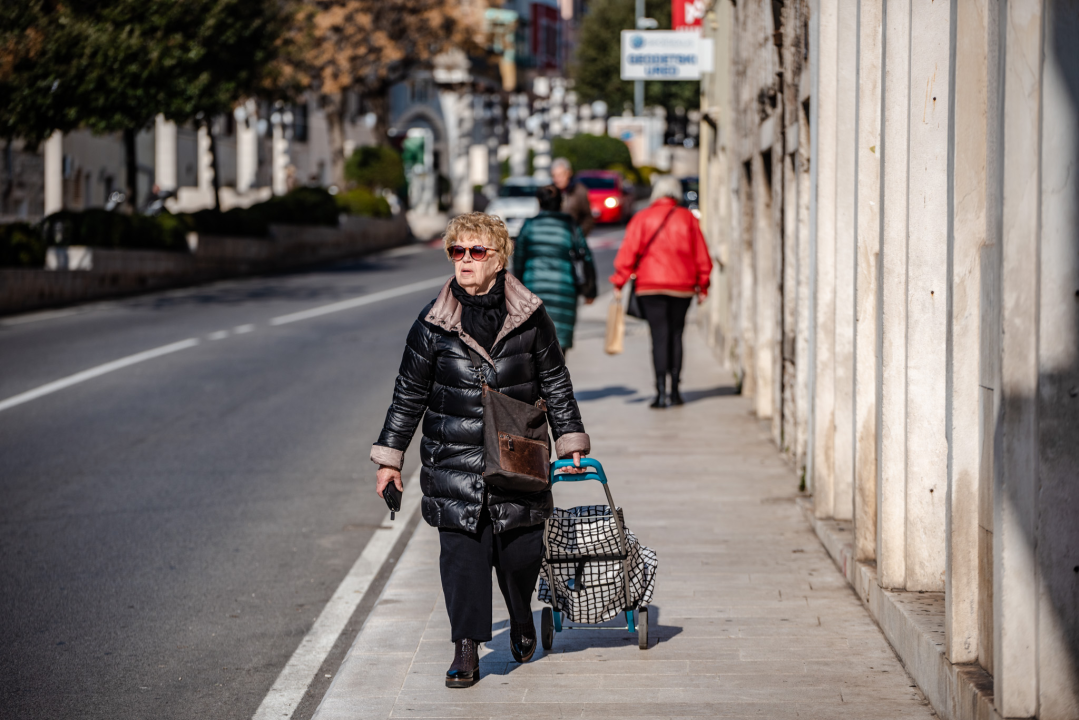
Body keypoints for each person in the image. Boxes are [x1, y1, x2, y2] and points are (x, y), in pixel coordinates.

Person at [370, 213, 591, 688]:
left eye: (476, 252)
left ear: (498, 258)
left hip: (518, 452)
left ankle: (520, 614)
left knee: (520, 551)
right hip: (455, 458)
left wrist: (570, 438)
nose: (465, 261)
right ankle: (466, 648)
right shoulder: (432, 324)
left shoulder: (530, 317)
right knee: (463, 554)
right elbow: (408, 393)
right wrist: (390, 458)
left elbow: (555, 380)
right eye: (457, 251)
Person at [610, 176, 713, 408]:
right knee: (677, 335)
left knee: (659, 337)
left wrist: (619, 281)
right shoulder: (688, 218)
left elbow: (628, 253)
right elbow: (701, 255)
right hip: (683, 287)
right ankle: (676, 391)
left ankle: (660, 393)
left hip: (650, 286)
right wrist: (703, 285)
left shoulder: (642, 218)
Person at [512, 185, 598, 350]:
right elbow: (585, 256)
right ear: (561, 202)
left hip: (533, 289)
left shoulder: (530, 225)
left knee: (534, 342)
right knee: (559, 343)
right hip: (563, 289)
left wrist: (518, 288)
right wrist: (590, 290)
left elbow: (519, 259)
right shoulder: (569, 226)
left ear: (539, 202)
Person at [550, 157, 595, 237]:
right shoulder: (550, 191)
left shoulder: (579, 191)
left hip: (572, 238)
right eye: (554, 176)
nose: (557, 179)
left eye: (560, 175)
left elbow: (588, 218)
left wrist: (578, 235)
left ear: (568, 173)